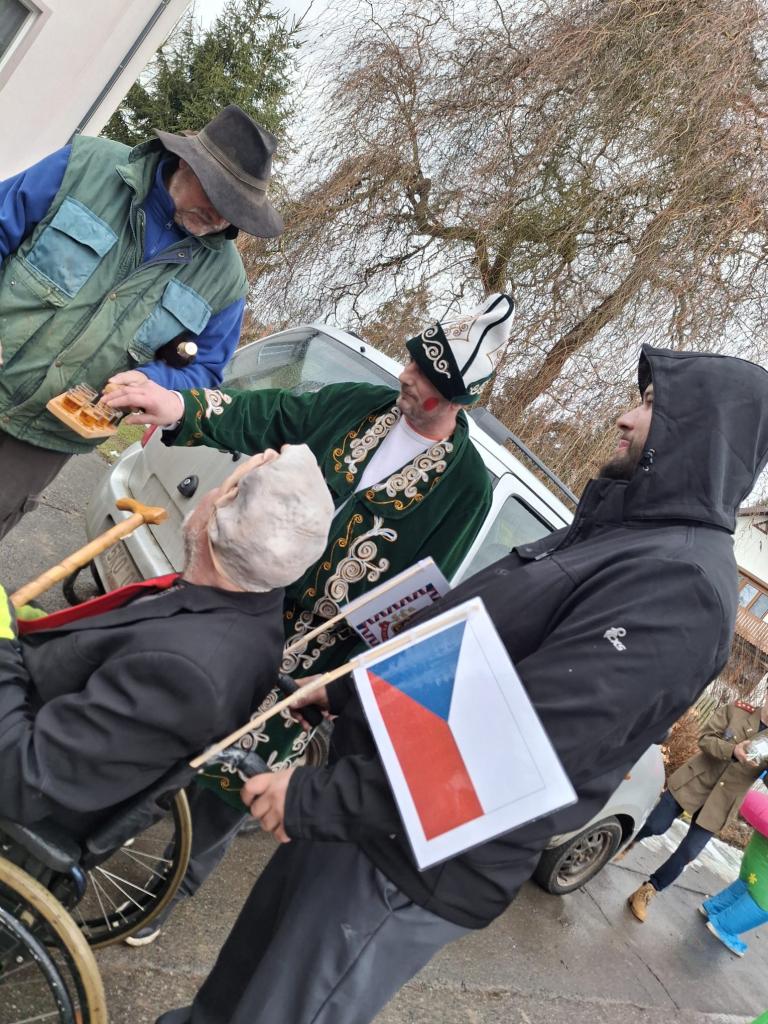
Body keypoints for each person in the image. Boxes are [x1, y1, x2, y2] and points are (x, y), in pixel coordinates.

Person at [150, 343, 768, 1024]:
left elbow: (520, 746)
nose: (624, 417)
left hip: (414, 860)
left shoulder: (680, 585)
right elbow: (481, 650)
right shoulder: (620, 535)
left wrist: (318, 797)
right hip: (372, 809)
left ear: (700, 433)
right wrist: (350, 689)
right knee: (226, 999)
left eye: (650, 406)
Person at [105, 293, 509, 943]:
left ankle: (167, 894)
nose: (406, 374)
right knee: (169, 720)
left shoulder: (467, 487)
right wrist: (181, 406)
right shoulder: (356, 406)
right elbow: (270, 413)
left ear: (451, 397)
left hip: (317, 656)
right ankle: (106, 832)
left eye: (423, 374)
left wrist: (350, 678)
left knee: (233, 783)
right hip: (240, 602)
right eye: (412, 362)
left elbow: (423, 595)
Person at [0, 444, 333, 838]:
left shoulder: (185, 672)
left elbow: (22, 777)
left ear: (221, 513)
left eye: (219, 488)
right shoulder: (250, 601)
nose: (206, 492)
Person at [0, 104, 283, 541]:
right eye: (218, 198)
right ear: (186, 162)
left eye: (236, 212)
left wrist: (153, 381)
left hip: (41, 440)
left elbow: (204, 370)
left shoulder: (226, 284)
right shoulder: (85, 166)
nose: (221, 219)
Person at [625, 693, 768, 921]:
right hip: (695, 781)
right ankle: (627, 842)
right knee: (656, 825)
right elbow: (705, 739)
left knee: (688, 853)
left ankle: (648, 890)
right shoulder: (738, 711)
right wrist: (732, 751)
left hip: (723, 802)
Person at [701, 786, 768, 956]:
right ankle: (723, 926)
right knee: (763, 903)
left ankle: (713, 908)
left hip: (755, 856)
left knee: (747, 885)